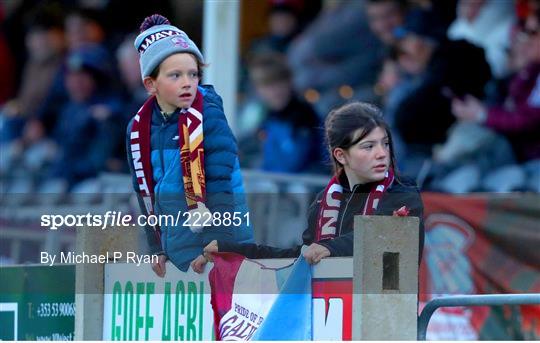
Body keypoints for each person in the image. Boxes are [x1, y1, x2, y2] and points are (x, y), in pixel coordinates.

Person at [192, 102, 424, 272]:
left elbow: (389, 238)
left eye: (385, 143)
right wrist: (233, 251)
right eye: (368, 146)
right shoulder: (324, 200)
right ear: (341, 155)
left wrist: (332, 248)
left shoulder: (403, 192)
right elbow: (301, 257)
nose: (382, 153)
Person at [126, 14, 253, 275]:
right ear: (151, 84)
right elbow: (144, 193)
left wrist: (218, 247)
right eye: (175, 75)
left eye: (193, 73)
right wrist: (156, 248)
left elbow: (220, 185)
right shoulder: (137, 128)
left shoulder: (209, 115)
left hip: (220, 250)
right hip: (177, 254)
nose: (187, 82)